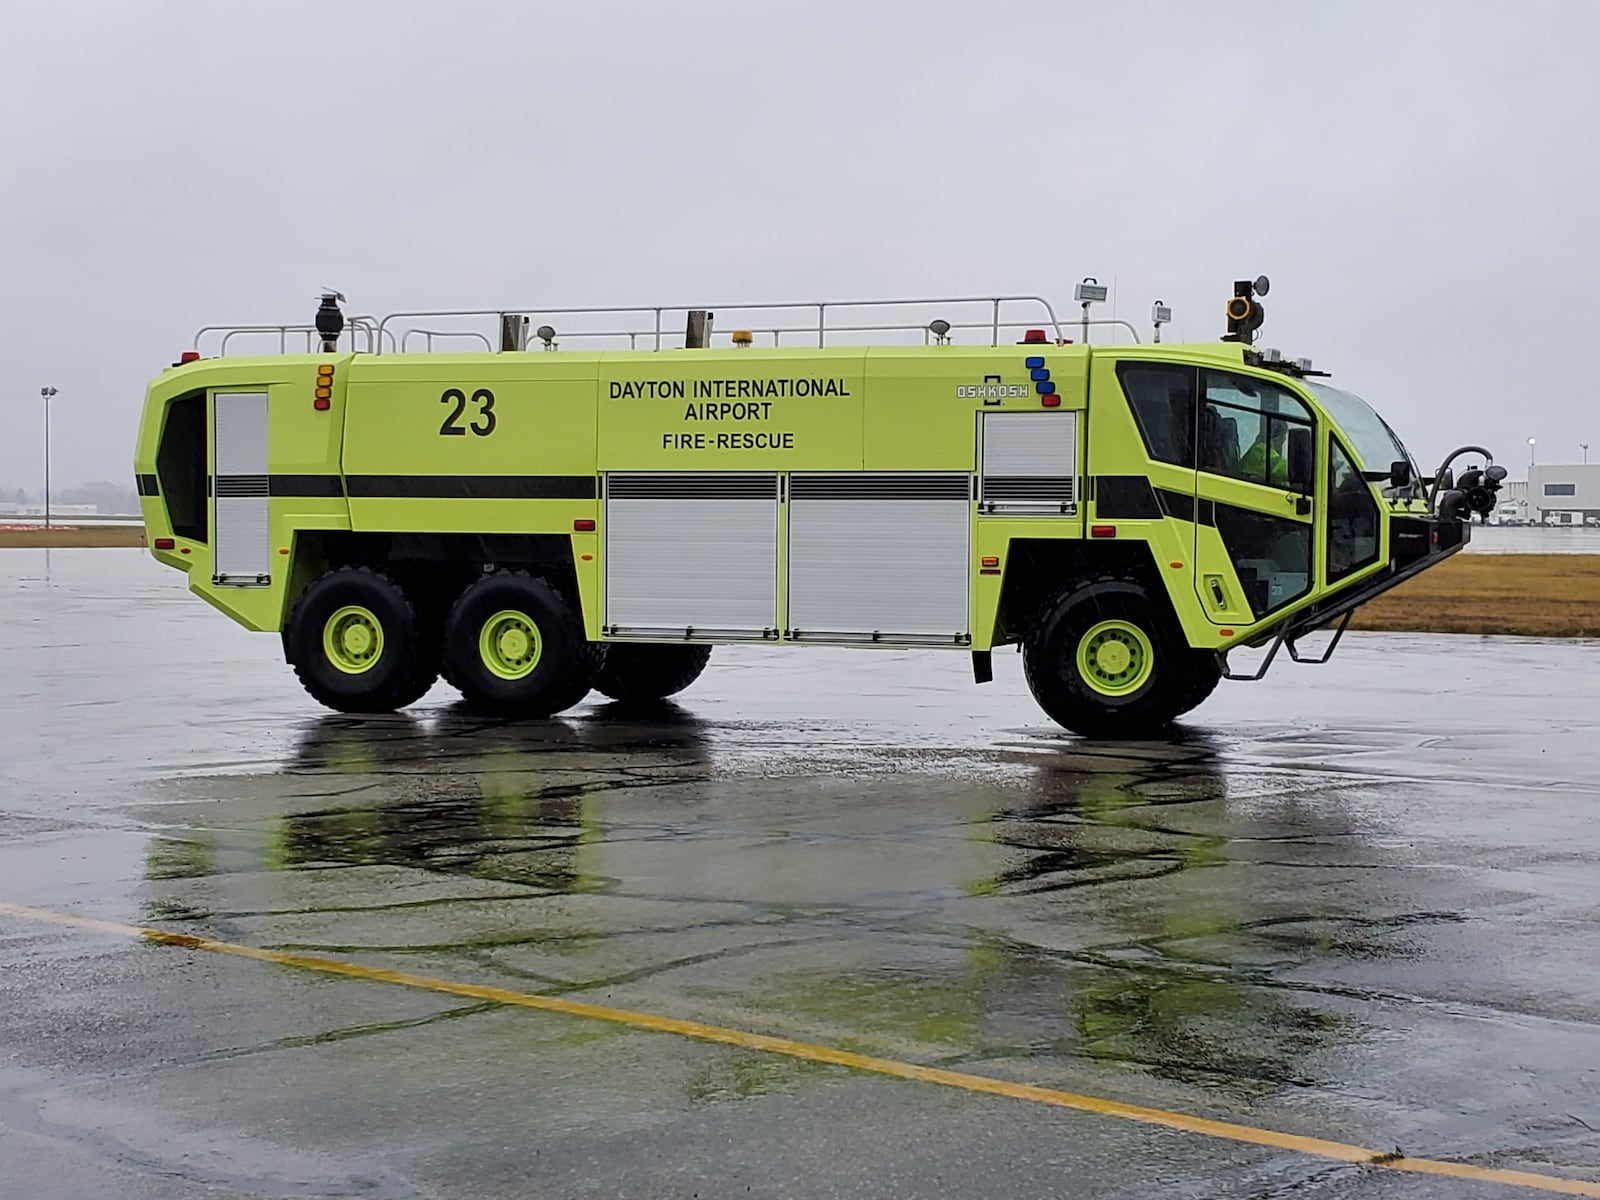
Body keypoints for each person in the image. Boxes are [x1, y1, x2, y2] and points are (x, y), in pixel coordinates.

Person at [1240, 420, 1292, 487]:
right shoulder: (1260, 450)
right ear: (1276, 437)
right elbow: (1283, 469)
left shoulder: (1262, 448)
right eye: (1283, 435)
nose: (1284, 439)